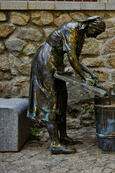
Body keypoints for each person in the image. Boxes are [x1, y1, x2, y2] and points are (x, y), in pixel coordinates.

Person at [27, 16, 106, 154]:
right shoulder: (73, 29)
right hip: (45, 60)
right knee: (51, 99)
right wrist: (84, 77)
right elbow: (71, 58)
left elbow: (76, 59)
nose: (95, 37)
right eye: (96, 32)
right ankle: (55, 144)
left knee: (62, 97)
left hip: (56, 61)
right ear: (92, 26)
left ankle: (63, 136)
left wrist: (90, 73)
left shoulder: (81, 35)